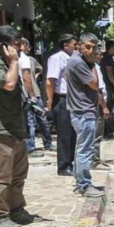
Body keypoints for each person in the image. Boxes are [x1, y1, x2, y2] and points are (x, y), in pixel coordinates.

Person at [0, 26, 38, 227]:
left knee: (19, 174)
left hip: (15, 126)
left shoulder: (7, 62)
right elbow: (9, 84)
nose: (20, 48)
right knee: (2, 176)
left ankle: (17, 210)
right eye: (15, 44)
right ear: (3, 46)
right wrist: (14, 61)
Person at [64, 33, 104, 197]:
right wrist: (94, 64)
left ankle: (80, 181)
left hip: (82, 110)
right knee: (85, 150)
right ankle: (84, 185)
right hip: (83, 111)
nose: (91, 51)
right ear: (79, 46)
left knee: (82, 148)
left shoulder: (77, 61)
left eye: (94, 48)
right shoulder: (79, 63)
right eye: (88, 47)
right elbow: (95, 84)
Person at [45, 33, 77, 175]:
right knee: (64, 134)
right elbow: (50, 81)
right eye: (73, 45)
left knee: (72, 134)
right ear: (65, 45)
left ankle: (70, 161)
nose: (76, 47)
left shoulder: (73, 59)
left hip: (73, 99)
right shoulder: (57, 58)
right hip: (61, 98)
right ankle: (63, 166)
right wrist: (50, 101)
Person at [19, 38, 52, 156]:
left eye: (24, 44)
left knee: (42, 119)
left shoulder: (30, 60)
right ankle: (31, 148)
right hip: (27, 95)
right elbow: (26, 78)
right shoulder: (18, 59)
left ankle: (48, 143)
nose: (22, 47)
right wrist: (30, 95)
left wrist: (35, 77)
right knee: (30, 121)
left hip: (35, 93)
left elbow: (38, 70)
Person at [100, 40, 114, 139]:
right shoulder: (108, 58)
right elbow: (109, 73)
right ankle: (108, 130)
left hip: (107, 85)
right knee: (110, 108)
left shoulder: (107, 57)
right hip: (108, 85)